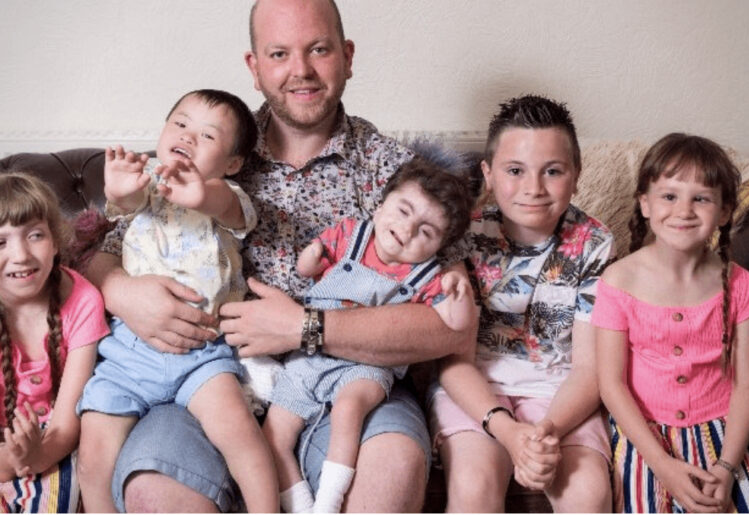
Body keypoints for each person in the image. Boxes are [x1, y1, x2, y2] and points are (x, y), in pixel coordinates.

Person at [84, 0, 474, 511]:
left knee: (393, 468)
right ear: (254, 67)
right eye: (279, 53)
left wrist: (306, 327)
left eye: (319, 49)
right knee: (154, 489)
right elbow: (100, 254)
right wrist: (125, 292)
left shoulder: (398, 172)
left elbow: (452, 326)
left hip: (348, 381)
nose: (301, 70)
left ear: (347, 57)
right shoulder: (214, 145)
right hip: (204, 374)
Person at [76, 89, 279, 512]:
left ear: (232, 163)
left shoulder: (228, 195)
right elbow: (124, 206)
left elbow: (229, 208)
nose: (188, 136)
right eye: (181, 124)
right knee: (93, 451)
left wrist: (201, 193)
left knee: (240, 433)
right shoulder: (148, 185)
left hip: (202, 353)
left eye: (208, 135)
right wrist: (120, 187)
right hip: (130, 350)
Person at [428, 95, 614, 512]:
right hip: (477, 389)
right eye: (515, 171)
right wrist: (510, 433)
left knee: (589, 493)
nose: (534, 188)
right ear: (488, 175)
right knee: (473, 485)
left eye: (553, 171)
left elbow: (589, 369)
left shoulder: (595, 243)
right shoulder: (464, 235)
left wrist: (544, 435)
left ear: (577, 175)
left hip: (560, 394)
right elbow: (455, 362)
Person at [265, 156, 475, 513]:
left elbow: (457, 327)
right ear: (379, 207)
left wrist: (460, 292)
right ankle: (301, 505)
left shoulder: (427, 276)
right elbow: (306, 268)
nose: (408, 229)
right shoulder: (350, 235)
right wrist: (312, 256)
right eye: (403, 211)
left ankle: (329, 500)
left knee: (349, 410)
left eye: (426, 232)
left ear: (439, 248)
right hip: (309, 358)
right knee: (273, 435)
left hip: (367, 366)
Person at [592, 133, 749, 513]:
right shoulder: (617, 282)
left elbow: (748, 384)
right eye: (670, 196)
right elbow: (611, 384)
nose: (684, 210)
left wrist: (726, 467)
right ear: (645, 203)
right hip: (646, 437)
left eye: (701, 198)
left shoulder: (741, 285)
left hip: (725, 436)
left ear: (724, 212)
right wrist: (662, 465)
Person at [0, 173, 108, 512]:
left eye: (35, 235)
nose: (21, 255)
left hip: (54, 441)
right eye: (0, 242)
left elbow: (66, 424)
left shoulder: (83, 301)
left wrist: (35, 456)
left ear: (56, 241)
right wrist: (10, 461)